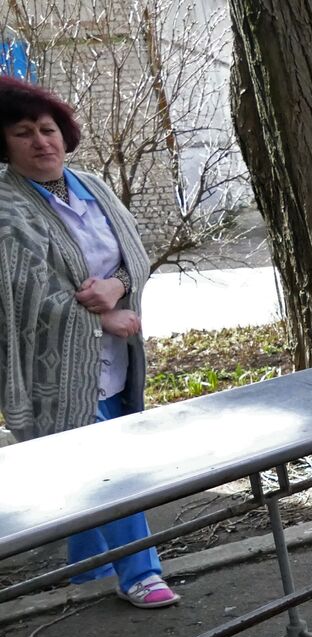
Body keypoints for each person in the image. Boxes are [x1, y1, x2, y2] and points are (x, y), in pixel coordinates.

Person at [0, 76, 179, 609]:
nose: (41, 141)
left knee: (84, 467)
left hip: (120, 361)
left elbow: (135, 254)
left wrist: (117, 288)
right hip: (54, 368)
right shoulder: (5, 211)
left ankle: (88, 570)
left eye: (48, 129)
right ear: (4, 145)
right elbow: (19, 295)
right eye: (23, 132)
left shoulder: (94, 187)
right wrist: (102, 321)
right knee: (108, 464)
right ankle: (141, 572)